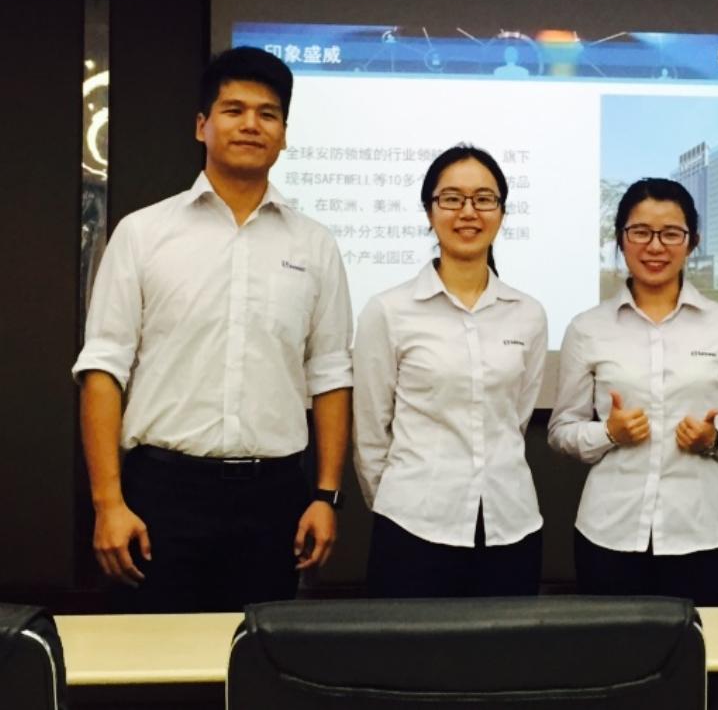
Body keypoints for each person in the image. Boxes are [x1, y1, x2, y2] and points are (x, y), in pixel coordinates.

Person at [73, 46, 353, 612]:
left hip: (274, 498)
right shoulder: (143, 233)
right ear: (202, 125)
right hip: (161, 494)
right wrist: (108, 502)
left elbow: (329, 374)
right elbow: (103, 369)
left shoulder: (315, 244)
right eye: (234, 110)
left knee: (258, 654)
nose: (251, 124)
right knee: (155, 656)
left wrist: (326, 496)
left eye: (268, 114)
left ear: (284, 135)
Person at [550, 178, 718, 606]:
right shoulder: (588, 328)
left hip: (701, 530)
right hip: (609, 531)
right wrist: (608, 433)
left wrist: (715, 440)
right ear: (620, 239)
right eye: (640, 232)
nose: (655, 246)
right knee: (613, 646)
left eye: (670, 233)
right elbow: (561, 430)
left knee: (699, 644)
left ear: (692, 242)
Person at [353, 144, 548, 598]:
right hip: (413, 528)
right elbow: (371, 434)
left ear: (501, 213)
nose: (468, 212)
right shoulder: (388, 310)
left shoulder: (528, 314)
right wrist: (402, 499)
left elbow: (515, 419)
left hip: (510, 525)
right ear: (429, 211)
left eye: (484, 199)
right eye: (452, 198)